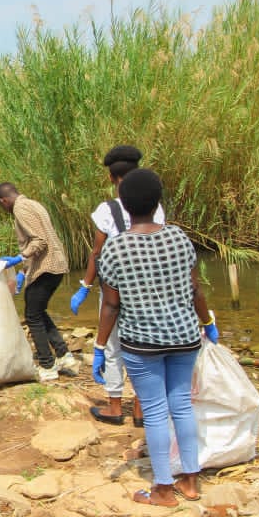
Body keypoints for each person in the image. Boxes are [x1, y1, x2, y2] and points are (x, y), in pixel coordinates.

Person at [96, 168, 218, 507]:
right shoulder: (179, 238)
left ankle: (163, 489)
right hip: (183, 336)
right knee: (181, 405)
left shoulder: (116, 248)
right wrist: (206, 322)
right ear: (157, 202)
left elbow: (110, 305)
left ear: (124, 205)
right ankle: (190, 482)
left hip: (141, 343)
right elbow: (195, 289)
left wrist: (99, 345)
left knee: (154, 411)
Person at [72, 145, 165, 426]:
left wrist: (85, 286)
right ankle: (140, 410)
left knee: (112, 347)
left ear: (112, 178)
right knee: (142, 345)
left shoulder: (107, 209)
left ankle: (115, 407)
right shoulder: (155, 206)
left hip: (115, 288)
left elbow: (97, 252)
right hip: (147, 289)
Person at [0, 183, 80, 383]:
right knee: (38, 311)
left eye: (2, 206)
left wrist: (19, 257)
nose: (4, 209)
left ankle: (47, 365)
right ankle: (63, 355)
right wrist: (24, 271)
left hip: (46, 267)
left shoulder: (20, 208)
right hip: (55, 265)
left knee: (32, 315)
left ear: (3, 201)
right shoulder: (33, 203)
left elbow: (39, 240)